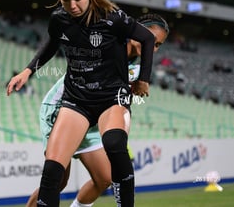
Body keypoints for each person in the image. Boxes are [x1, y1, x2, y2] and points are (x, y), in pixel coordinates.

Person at [6, 0, 155, 206]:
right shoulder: (59, 19)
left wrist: (143, 80)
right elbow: (51, 45)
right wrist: (28, 71)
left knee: (114, 143)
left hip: (111, 97)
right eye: (65, 0)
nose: (72, 5)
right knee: (53, 173)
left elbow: (148, 39)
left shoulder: (112, 18)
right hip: (77, 99)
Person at [26, 13, 169, 207]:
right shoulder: (108, 41)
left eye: (158, 45)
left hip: (93, 117)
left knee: (104, 178)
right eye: (150, 38)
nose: (152, 47)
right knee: (58, 181)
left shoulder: (138, 66)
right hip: (64, 108)